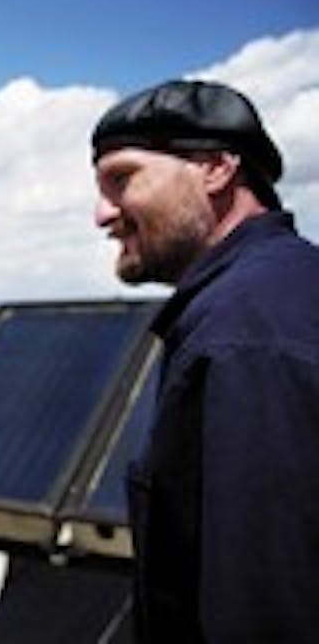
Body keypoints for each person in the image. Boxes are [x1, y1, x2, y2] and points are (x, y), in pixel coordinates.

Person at [91, 79, 319, 641]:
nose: (101, 214)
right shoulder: (280, 293)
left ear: (216, 169)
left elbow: (267, 613)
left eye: (121, 179)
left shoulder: (247, 334)